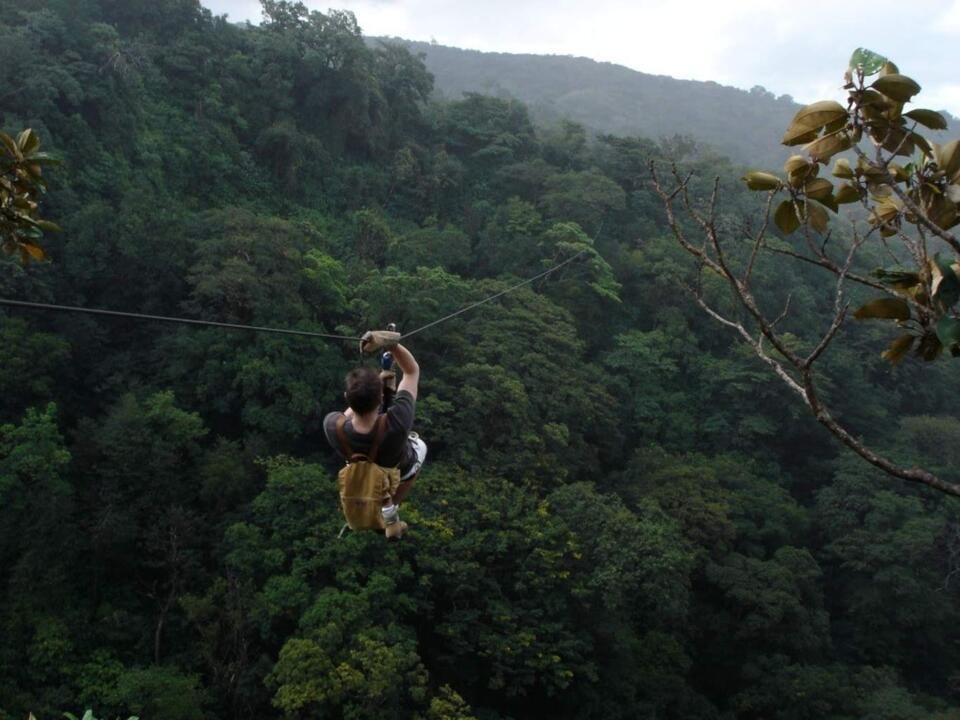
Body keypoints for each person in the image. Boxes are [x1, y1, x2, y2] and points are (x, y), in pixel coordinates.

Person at [323, 338, 426, 539]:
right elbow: (411, 371)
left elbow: (346, 415)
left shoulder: (332, 426)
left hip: (358, 472)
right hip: (393, 473)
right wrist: (392, 344)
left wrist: (371, 389)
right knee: (420, 447)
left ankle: (373, 510)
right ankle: (391, 506)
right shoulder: (397, 423)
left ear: (347, 397)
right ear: (380, 398)